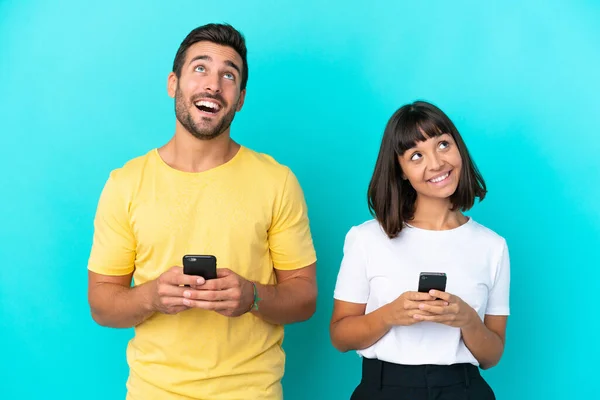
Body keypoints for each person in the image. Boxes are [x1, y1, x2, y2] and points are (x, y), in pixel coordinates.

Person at [87, 23, 317, 400]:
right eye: (201, 68)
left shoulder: (277, 181)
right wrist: (150, 297)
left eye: (229, 74)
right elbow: (101, 303)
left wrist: (253, 297)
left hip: (252, 392)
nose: (213, 84)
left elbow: (305, 297)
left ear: (240, 98)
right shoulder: (125, 184)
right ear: (173, 83)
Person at [330, 101, 510, 399]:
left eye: (443, 144)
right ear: (400, 170)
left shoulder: (492, 246)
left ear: (459, 148)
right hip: (384, 388)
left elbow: (492, 356)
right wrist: (390, 314)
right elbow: (339, 336)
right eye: (416, 155)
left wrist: (466, 320)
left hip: (463, 389)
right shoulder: (366, 238)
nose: (437, 163)